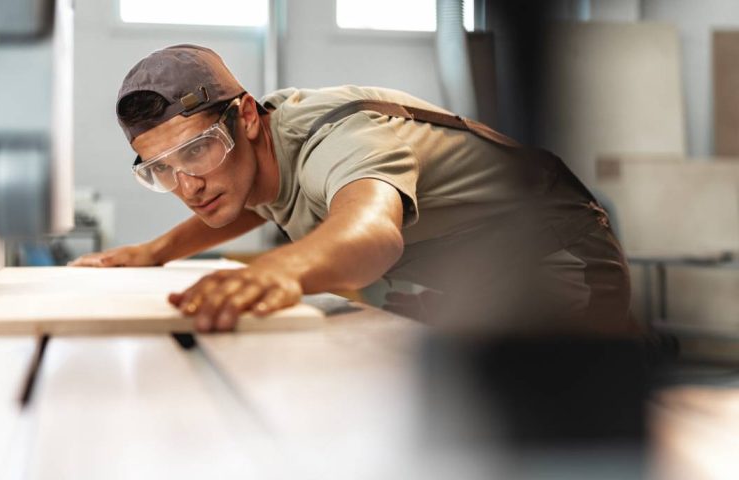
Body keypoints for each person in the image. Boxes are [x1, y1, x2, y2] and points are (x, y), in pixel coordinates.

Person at [70, 44, 636, 335]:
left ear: (245, 116)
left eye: (195, 149)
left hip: (558, 260)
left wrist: (281, 270)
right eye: (161, 169)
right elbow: (248, 201)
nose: (188, 185)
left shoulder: (340, 138)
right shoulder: (250, 156)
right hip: (464, 266)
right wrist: (156, 253)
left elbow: (371, 233)